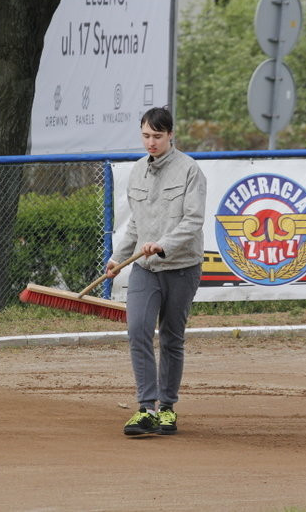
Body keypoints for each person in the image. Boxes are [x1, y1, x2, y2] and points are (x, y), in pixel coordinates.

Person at [106, 106, 207, 436]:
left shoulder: (190, 171)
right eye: (146, 136)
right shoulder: (137, 171)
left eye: (157, 136)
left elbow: (193, 221)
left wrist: (163, 243)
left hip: (181, 267)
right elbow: (135, 222)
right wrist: (116, 256)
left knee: (172, 338)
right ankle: (146, 408)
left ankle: (167, 408)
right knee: (137, 330)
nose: (151, 142)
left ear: (171, 135)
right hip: (144, 268)